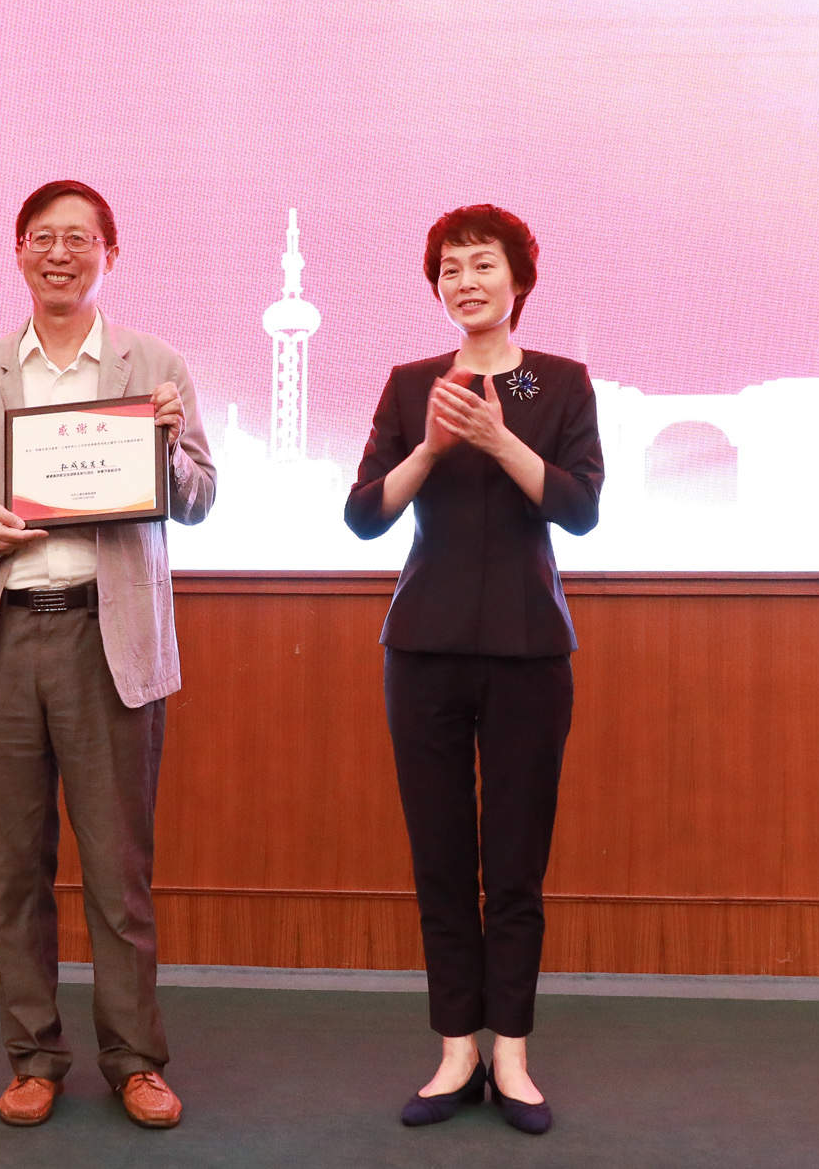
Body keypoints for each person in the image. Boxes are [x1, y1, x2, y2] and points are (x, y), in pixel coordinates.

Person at [0, 180, 215, 1130]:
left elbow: (199, 498)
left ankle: (134, 1060)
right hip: (6, 636)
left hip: (107, 640)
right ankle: (33, 1057)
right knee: (16, 869)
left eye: (78, 239)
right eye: (42, 238)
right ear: (18, 250)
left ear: (108, 255)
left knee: (118, 872)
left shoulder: (152, 365)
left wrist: (164, 447)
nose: (59, 254)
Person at [343, 204, 604, 1136]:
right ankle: (456, 1050)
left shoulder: (559, 382)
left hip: (531, 651)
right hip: (423, 650)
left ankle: (513, 1055)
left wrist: (497, 439)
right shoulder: (414, 384)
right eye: (449, 268)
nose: (465, 281)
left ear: (518, 279)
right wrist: (432, 446)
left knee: (516, 865)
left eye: (482, 264)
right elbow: (363, 516)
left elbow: (579, 509)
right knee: (442, 861)